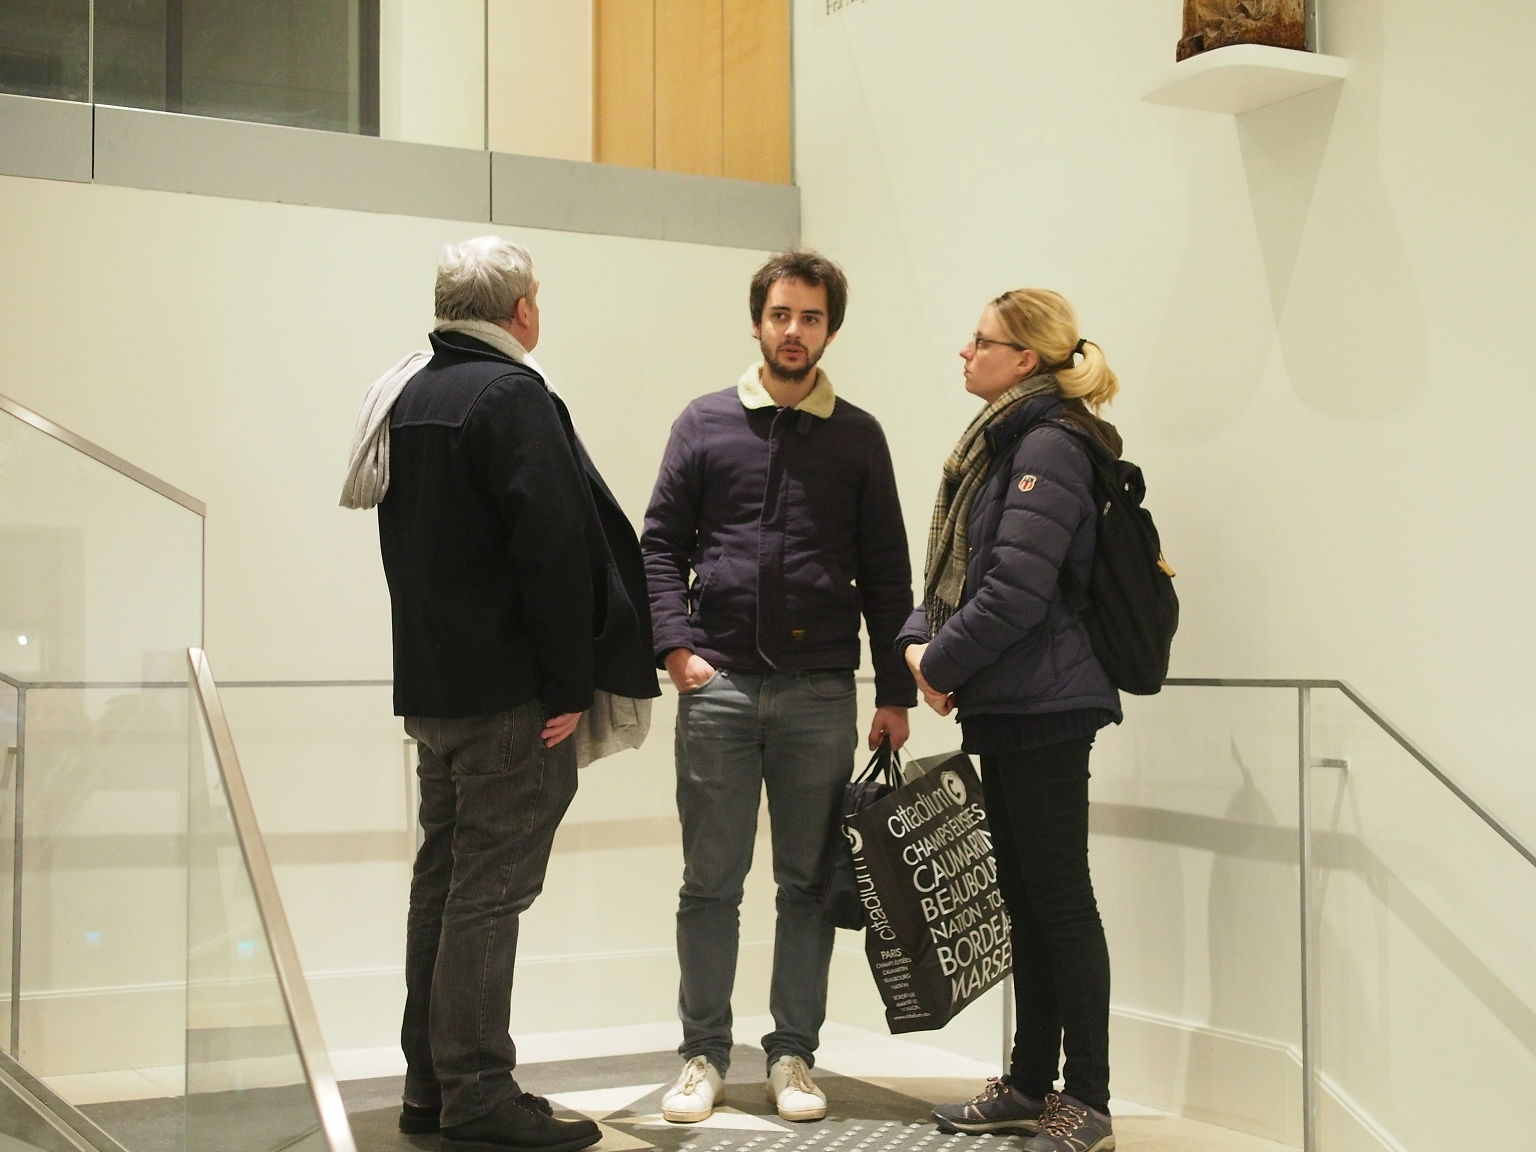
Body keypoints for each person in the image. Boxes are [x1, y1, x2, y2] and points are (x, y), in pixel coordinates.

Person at [341, 236, 659, 1152]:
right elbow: (552, 547)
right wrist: (568, 681)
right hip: (511, 698)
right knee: (487, 895)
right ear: (521, 309)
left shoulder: (407, 394)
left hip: (436, 692)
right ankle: (478, 1092)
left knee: (444, 886)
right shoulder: (509, 394)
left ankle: (431, 1087)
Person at [641, 250, 916, 1124]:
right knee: (709, 884)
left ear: (831, 329)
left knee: (806, 886)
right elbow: (658, 546)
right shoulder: (704, 423)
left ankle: (793, 1055)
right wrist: (675, 649)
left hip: (821, 694)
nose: (794, 331)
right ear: (757, 321)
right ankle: (702, 1056)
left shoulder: (859, 436)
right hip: (718, 689)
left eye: (811, 318)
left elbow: (888, 573)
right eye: (781, 315)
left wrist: (896, 694)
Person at [897, 288, 1123, 1152]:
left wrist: (939, 665)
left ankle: (1087, 1099)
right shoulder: (1004, 444)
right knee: (1028, 900)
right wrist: (919, 645)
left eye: (981, 340)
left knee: (1059, 900)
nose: (966, 351)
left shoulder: (1049, 445)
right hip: (1014, 699)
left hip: (1048, 702)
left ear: (1024, 358)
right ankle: (1031, 1083)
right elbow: (956, 575)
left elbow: (1016, 590)